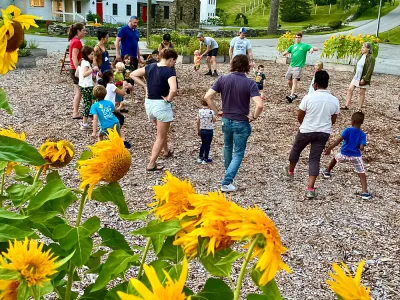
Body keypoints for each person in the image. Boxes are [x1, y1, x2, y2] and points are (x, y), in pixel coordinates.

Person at [204, 54, 263, 192]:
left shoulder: (223, 79)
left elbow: (207, 97)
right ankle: (227, 181)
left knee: (227, 147)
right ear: (247, 66)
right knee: (238, 152)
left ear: (233, 64)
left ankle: (229, 171)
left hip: (226, 120)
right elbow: (259, 105)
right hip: (241, 121)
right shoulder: (250, 83)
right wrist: (253, 117)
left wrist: (217, 111)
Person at [285, 70, 340, 199]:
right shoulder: (334, 100)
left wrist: (303, 124)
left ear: (315, 84)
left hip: (306, 130)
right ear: (327, 84)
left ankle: (290, 171)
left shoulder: (309, 97)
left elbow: (300, 114)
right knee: (314, 158)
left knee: (296, 150)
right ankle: (310, 188)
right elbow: (333, 119)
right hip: (323, 132)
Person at [130, 49, 178, 171]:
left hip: (149, 104)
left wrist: (145, 86)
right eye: (174, 62)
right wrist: (168, 99)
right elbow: (173, 90)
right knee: (160, 136)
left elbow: (132, 74)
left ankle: (166, 151)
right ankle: (151, 163)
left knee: (161, 131)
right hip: (161, 106)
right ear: (171, 59)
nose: (174, 64)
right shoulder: (169, 72)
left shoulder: (149, 67)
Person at [322, 112, 372, 200]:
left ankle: (327, 171)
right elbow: (361, 148)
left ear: (353, 122)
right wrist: (361, 146)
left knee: (335, 159)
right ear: (361, 122)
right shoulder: (362, 134)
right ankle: (364, 192)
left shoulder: (347, 130)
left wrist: (330, 148)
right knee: (362, 173)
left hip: (344, 154)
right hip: (356, 157)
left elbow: (339, 140)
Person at [283, 32, 318, 103]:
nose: (297, 39)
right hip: (291, 65)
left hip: (298, 66)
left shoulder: (304, 46)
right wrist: (285, 53)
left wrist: (312, 49)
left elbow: (315, 48)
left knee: (294, 80)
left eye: (299, 37)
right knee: (289, 81)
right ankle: (293, 93)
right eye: (296, 37)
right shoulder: (292, 46)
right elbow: (286, 52)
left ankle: (291, 95)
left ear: (301, 38)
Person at [343, 42, 376, 110]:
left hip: (363, 78)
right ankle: (346, 105)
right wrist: (354, 74)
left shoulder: (371, 58)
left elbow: (370, 70)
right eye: (362, 47)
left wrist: (364, 79)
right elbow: (357, 66)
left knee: (361, 92)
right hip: (356, 76)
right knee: (350, 89)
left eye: (364, 47)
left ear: (368, 49)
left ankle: (359, 108)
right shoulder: (361, 56)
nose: (362, 48)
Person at [76, 46, 98, 131]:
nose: (93, 55)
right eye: (91, 54)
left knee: (90, 102)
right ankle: (84, 123)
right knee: (87, 104)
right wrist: (93, 69)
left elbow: (77, 74)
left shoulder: (82, 61)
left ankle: (91, 119)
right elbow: (84, 74)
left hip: (84, 85)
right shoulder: (86, 63)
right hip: (87, 87)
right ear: (86, 54)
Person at [68, 23, 86, 119]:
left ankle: (76, 112)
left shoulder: (75, 41)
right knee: (79, 92)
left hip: (73, 69)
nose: (85, 32)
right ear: (78, 31)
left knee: (78, 91)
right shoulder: (76, 42)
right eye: (83, 30)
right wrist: (78, 69)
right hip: (75, 69)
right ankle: (75, 112)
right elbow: (74, 57)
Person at [196, 99, 216, 164]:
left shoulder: (200, 111)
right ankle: (205, 159)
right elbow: (214, 120)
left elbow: (197, 121)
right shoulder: (211, 112)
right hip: (209, 130)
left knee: (203, 143)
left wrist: (198, 130)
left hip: (202, 130)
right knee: (208, 144)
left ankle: (200, 157)